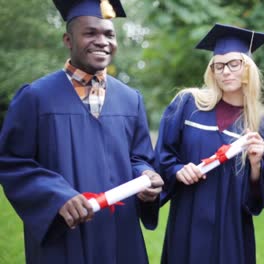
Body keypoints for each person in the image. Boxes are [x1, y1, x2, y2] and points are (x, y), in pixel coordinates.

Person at [0, 0, 163, 263]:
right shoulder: (36, 97)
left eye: (109, 34)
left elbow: (139, 157)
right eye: (90, 33)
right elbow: (12, 162)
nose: (102, 41)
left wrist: (146, 177)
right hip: (65, 234)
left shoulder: (130, 99)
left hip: (120, 231)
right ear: (68, 39)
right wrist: (56, 196)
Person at [154, 23, 264, 264]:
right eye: (219, 65)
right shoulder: (187, 105)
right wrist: (178, 170)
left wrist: (256, 165)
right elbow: (162, 157)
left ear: (249, 68)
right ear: (211, 70)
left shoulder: (261, 124)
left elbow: (261, 195)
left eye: (235, 63)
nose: (226, 71)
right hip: (188, 220)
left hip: (232, 230)